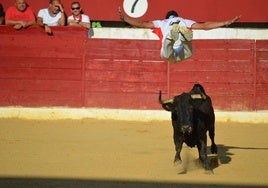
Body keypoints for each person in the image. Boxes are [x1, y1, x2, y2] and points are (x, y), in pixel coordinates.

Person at [118, 8, 241, 63]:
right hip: (184, 54)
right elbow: (205, 26)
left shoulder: (161, 23)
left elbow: (142, 24)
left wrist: (126, 19)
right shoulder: (185, 21)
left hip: (168, 55)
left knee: (167, 42)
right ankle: (184, 37)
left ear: (167, 17)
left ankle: (172, 36)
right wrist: (225, 22)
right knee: (187, 43)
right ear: (177, 16)